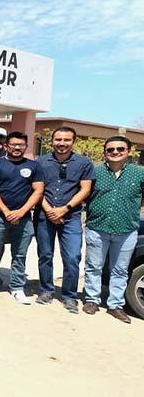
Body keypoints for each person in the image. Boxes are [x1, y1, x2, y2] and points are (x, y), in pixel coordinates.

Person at [82, 136, 144, 323]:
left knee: (120, 269)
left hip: (126, 230)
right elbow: (86, 194)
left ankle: (115, 305)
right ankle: (92, 299)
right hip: (97, 227)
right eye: (110, 150)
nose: (115, 153)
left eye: (120, 149)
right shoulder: (95, 172)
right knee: (94, 266)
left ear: (128, 151)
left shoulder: (139, 173)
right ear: (105, 152)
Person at [34, 126, 93, 312]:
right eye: (58, 139)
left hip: (72, 217)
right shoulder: (40, 162)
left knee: (72, 257)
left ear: (73, 141)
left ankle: (69, 296)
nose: (62, 143)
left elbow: (85, 189)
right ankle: (46, 290)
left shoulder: (84, 163)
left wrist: (64, 209)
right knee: (45, 255)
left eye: (67, 140)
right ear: (52, 141)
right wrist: (50, 210)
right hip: (44, 215)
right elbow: (36, 189)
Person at [0, 131, 44, 305]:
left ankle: (17, 287)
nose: (17, 148)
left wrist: (21, 211)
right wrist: (6, 212)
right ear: (6, 146)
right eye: (13, 145)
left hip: (23, 218)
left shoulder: (34, 166)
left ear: (26, 146)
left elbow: (38, 191)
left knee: (19, 254)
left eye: (21, 145)